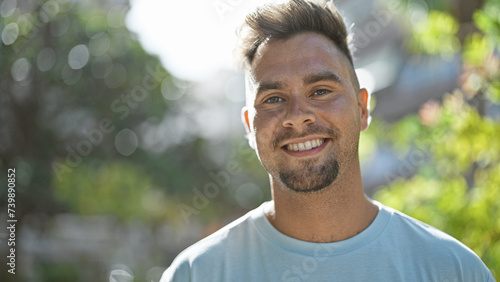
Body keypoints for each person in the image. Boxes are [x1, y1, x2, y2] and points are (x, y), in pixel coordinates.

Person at [161, 0, 496, 281]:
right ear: (250, 126)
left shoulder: (452, 269)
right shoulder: (198, 273)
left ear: (363, 108)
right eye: (274, 98)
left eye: (320, 91)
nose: (297, 115)